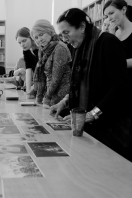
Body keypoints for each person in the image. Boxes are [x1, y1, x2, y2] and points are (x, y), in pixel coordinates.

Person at [52, 8, 132, 161]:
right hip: (89, 124)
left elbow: (120, 86)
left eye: (66, 33)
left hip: (109, 126)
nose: (64, 38)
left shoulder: (108, 42)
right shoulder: (80, 47)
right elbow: (78, 83)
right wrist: (64, 102)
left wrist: (91, 114)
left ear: (82, 27)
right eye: (62, 35)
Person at [31, 19, 71, 107]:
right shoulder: (43, 51)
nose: (39, 40)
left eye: (41, 35)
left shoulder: (60, 48)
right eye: (36, 38)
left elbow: (56, 79)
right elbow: (43, 77)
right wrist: (39, 98)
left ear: (50, 31)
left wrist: (46, 99)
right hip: (50, 97)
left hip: (61, 100)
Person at [103, 0, 132, 89]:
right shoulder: (114, 33)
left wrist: (117, 64)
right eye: (107, 16)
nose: (109, 18)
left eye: (111, 13)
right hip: (119, 84)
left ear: (123, 10)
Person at [15, 27, 38, 99]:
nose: (22, 45)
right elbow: (28, 71)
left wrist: (34, 87)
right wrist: (28, 92)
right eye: (19, 43)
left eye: (24, 41)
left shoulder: (39, 50)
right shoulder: (26, 51)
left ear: (31, 37)